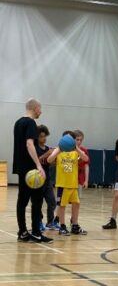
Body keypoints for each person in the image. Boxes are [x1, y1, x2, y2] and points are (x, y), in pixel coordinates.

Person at [13, 98, 53, 243]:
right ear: (35, 108)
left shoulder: (18, 122)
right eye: (40, 109)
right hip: (31, 169)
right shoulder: (30, 123)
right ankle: (36, 232)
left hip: (21, 167)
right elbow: (29, 144)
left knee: (22, 201)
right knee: (37, 201)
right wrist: (38, 165)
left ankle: (23, 232)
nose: (41, 112)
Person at [47, 131, 88, 236]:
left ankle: (74, 225)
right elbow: (49, 159)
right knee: (62, 205)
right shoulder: (59, 150)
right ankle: (62, 226)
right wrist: (59, 150)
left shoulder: (75, 151)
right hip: (62, 184)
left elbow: (86, 159)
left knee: (76, 204)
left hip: (73, 184)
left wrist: (76, 148)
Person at [35, 125, 58, 231]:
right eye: (41, 136)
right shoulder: (34, 148)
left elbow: (50, 164)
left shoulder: (48, 148)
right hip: (37, 180)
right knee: (38, 202)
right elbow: (37, 161)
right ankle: (39, 222)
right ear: (37, 137)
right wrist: (46, 154)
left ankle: (50, 222)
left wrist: (54, 159)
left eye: (45, 136)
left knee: (52, 202)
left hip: (47, 179)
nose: (44, 139)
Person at [74, 130, 90, 198]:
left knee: (77, 199)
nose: (79, 142)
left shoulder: (84, 151)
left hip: (79, 178)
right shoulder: (67, 149)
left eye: (81, 140)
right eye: (77, 140)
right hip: (69, 178)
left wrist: (86, 180)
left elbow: (86, 166)